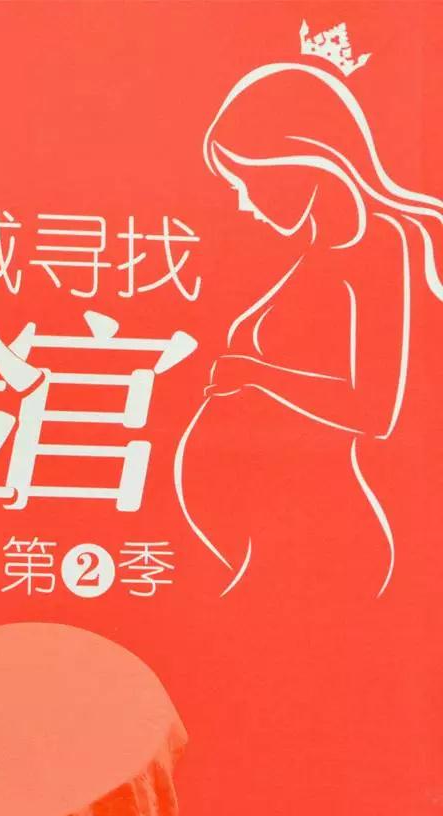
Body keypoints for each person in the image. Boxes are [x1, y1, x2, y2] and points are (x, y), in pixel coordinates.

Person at [174, 61, 443, 597]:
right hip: (279, 535)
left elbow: (374, 411)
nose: (242, 202)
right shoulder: (318, 254)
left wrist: (256, 375)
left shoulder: (377, 246)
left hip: (316, 537)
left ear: (297, 162)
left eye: (247, 182)